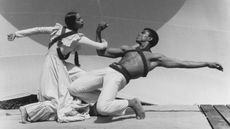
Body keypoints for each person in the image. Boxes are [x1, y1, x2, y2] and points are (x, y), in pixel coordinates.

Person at [68, 23, 223, 120]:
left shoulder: (155, 58)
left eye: (143, 33)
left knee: (102, 108)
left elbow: (182, 63)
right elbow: (101, 52)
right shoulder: (127, 49)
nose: (139, 34)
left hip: (119, 77)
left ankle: (131, 103)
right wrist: (98, 33)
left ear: (149, 39)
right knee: (73, 88)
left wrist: (207, 63)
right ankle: (105, 101)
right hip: (108, 70)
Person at [7, 11, 108, 123]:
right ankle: (27, 109)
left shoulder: (59, 30)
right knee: (61, 102)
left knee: (83, 77)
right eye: (79, 19)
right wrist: (100, 34)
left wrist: (17, 34)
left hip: (56, 63)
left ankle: (99, 100)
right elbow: (101, 46)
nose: (82, 20)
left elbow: (37, 29)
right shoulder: (77, 37)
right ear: (73, 23)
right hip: (54, 65)